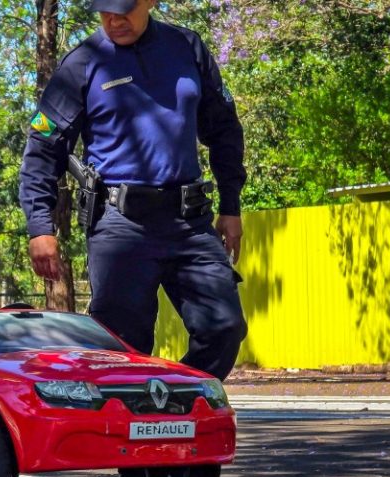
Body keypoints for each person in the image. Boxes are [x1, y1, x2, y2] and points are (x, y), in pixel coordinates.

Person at [19, 0, 247, 383]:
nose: (114, 19)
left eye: (125, 9)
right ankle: (134, 431)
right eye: (105, 10)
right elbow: (43, 148)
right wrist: (41, 226)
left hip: (187, 222)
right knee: (122, 350)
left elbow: (224, 130)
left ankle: (177, 402)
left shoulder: (186, 48)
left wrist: (231, 204)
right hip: (120, 226)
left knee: (224, 327)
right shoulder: (83, 62)